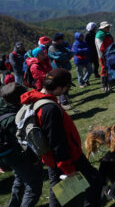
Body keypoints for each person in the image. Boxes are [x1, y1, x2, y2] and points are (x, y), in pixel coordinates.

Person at [20, 68, 102, 207]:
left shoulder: (37, 97)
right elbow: (57, 142)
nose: (66, 90)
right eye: (66, 87)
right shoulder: (49, 109)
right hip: (68, 157)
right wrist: (68, 168)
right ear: (58, 87)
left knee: (57, 190)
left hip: (51, 157)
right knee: (94, 180)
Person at [0, 83, 44, 207]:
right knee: (33, 187)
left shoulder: (3, 107)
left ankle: (14, 205)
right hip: (18, 156)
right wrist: (34, 158)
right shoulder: (11, 119)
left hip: (7, 155)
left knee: (19, 179)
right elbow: (23, 142)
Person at [48, 33, 74, 110]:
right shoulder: (52, 48)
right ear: (58, 40)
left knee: (66, 83)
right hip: (58, 69)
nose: (63, 40)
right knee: (62, 85)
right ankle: (63, 103)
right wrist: (66, 55)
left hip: (64, 67)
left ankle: (63, 100)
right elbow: (59, 56)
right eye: (62, 39)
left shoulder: (60, 46)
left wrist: (66, 54)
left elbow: (70, 53)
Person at [95, 21, 114, 92]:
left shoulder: (107, 34)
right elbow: (101, 47)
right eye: (107, 27)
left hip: (109, 53)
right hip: (103, 55)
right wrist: (106, 53)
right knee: (104, 68)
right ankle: (104, 85)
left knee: (108, 68)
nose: (108, 28)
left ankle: (109, 83)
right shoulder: (99, 35)